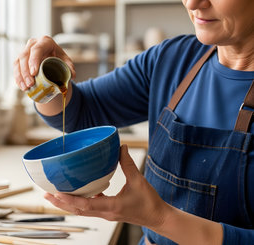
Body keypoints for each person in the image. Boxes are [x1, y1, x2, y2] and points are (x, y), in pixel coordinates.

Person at [13, 0, 254, 244]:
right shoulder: (171, 60)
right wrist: (42, 77)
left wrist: (160, 219)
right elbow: (81, 112)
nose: (193, 3)